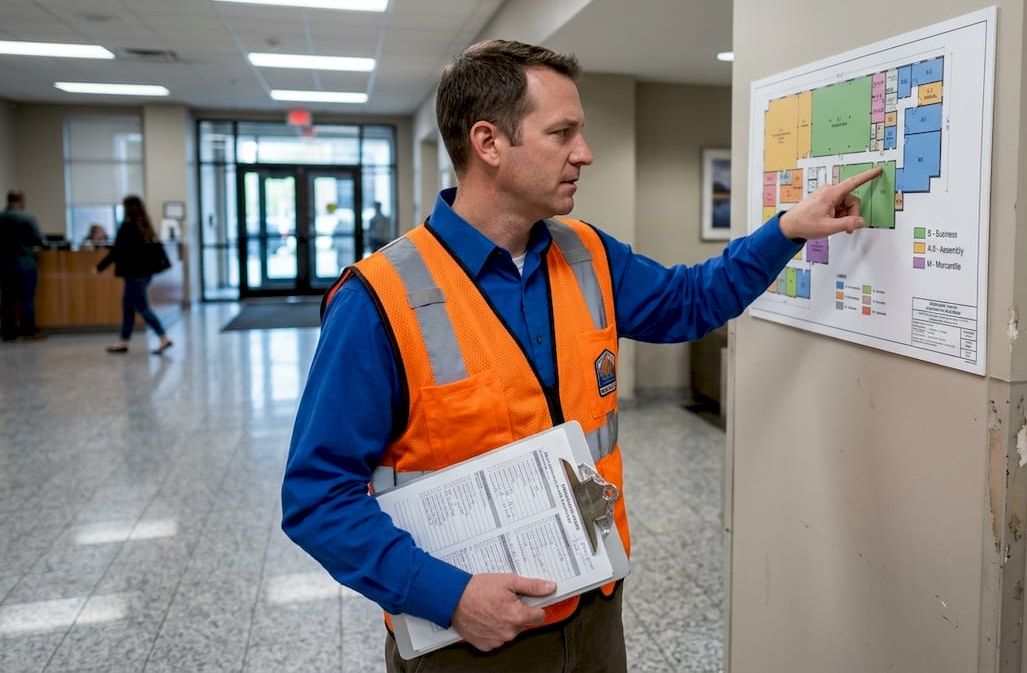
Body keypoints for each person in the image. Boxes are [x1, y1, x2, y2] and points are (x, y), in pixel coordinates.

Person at [281, 40, 882, 672]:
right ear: (488, 143)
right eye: (562, 133)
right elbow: (318, 497)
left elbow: (690, 301)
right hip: (470, 636)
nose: (584, 154)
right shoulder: (379, 298)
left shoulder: (587, 252)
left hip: (595, 607)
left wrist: (786, 230)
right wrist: (450, 596)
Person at [95, 195, 173, 355]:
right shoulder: (144, 226)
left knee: (142, 308)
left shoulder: (128, 227)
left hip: (134, 276)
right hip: (145, 274)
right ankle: (123, 341)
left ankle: (164, 337)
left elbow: (116, 251)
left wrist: (99, 267)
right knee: (127, 306)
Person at [0, 189, 47, 341]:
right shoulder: (27, 217)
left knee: (7, 299)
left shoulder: (1, 217)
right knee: (27, 299)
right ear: (21, 200)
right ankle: (28, 331)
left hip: (4, 265)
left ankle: (8, 333)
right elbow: (39, 240)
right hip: (25, 263)